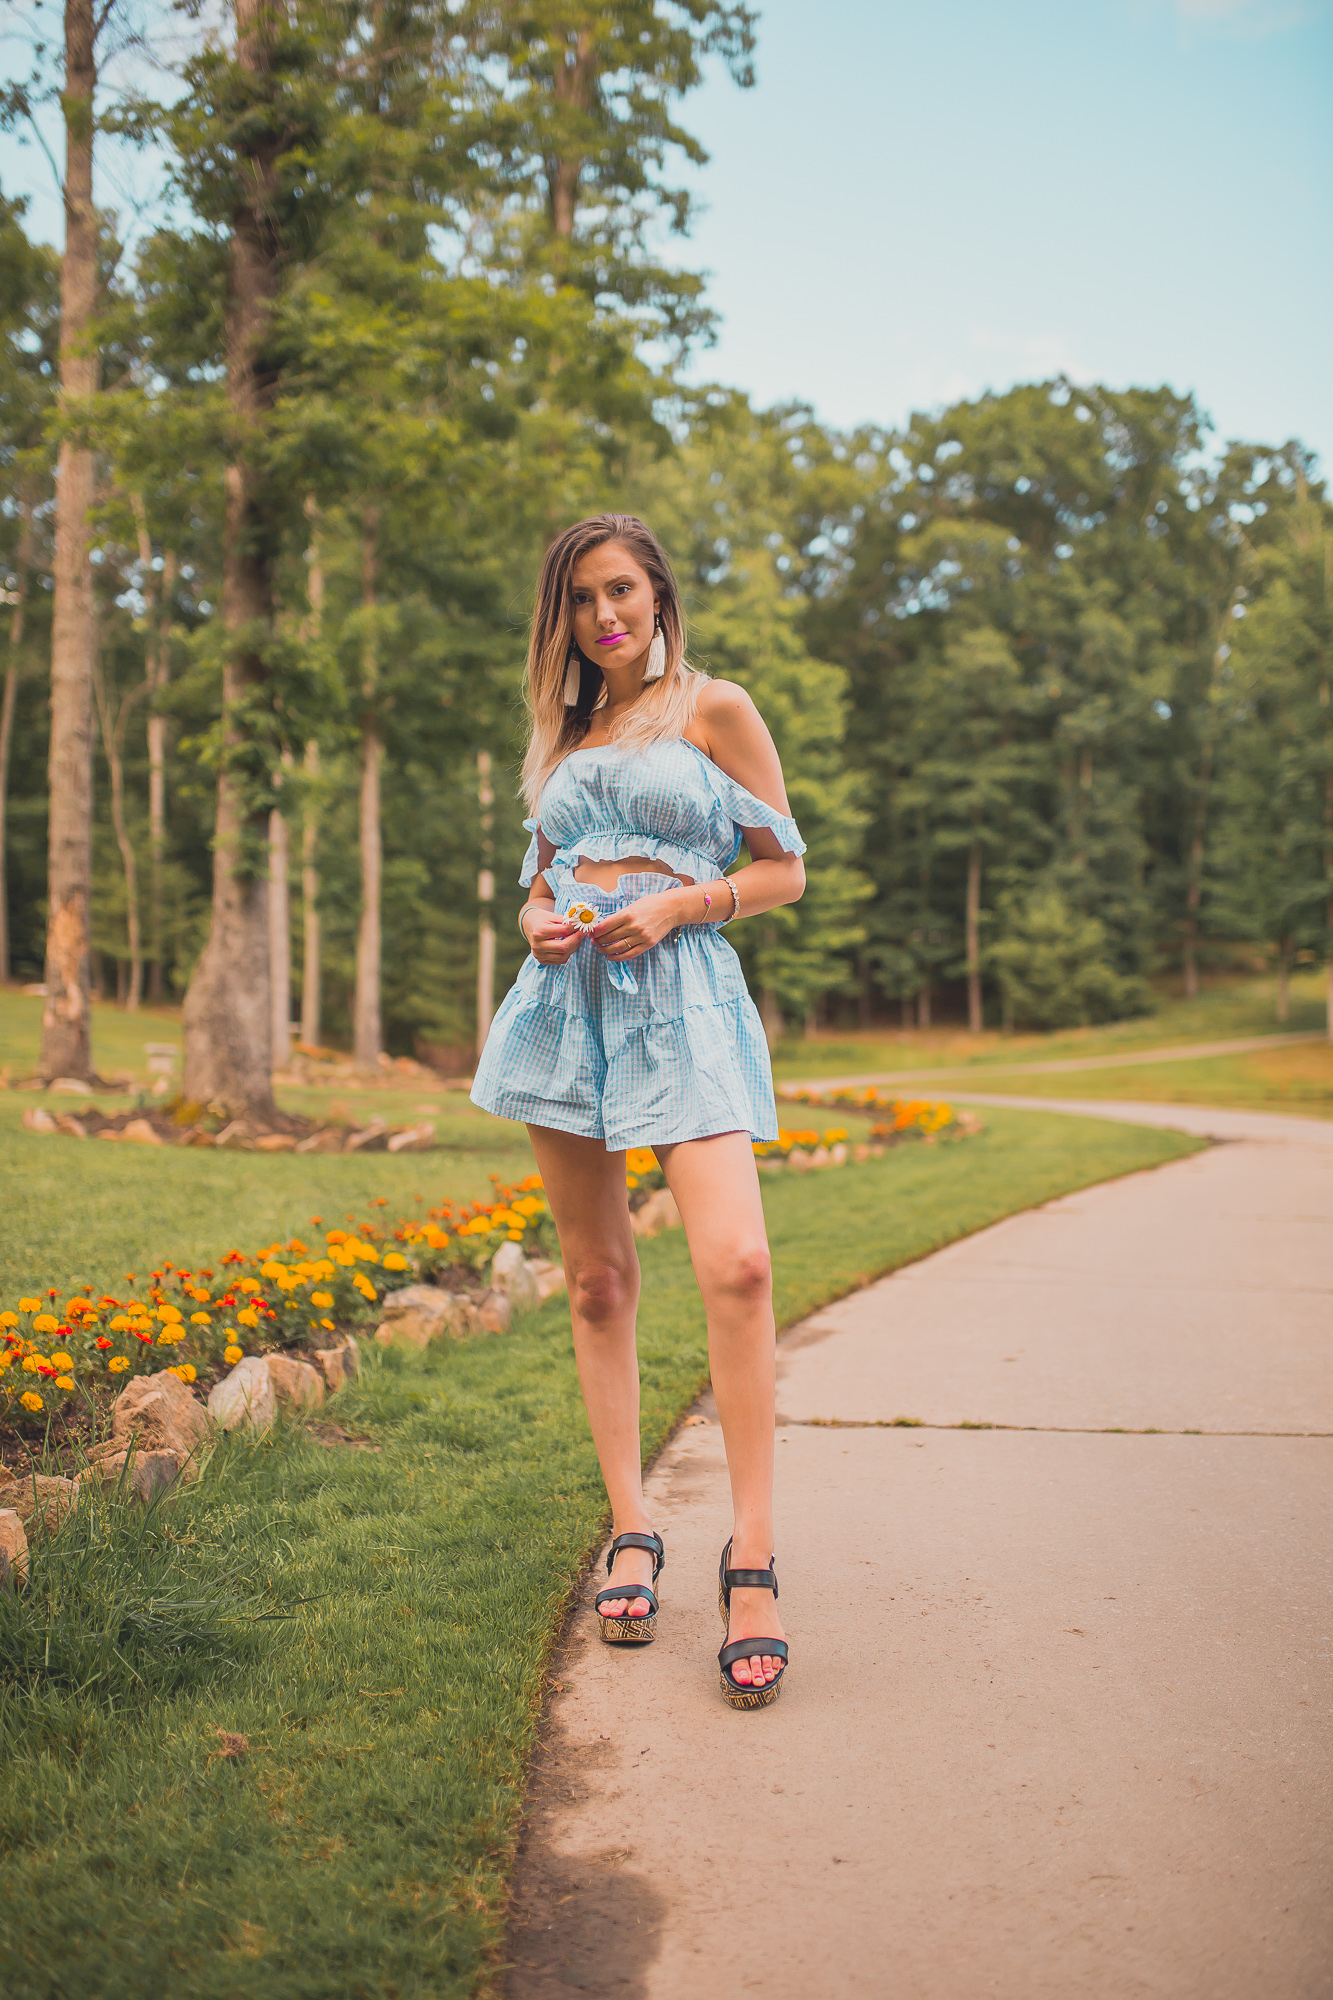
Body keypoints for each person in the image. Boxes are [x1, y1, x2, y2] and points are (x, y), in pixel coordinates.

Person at [471, 512, 806, 1710]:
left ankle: (751, 1556)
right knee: (598, 1278)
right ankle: (631, 1524)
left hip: (685, 1005)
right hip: (565, 1012)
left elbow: (784, 867)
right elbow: (536, 884)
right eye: (577, 599)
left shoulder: (714, 708)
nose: (601, 615)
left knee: (741, 1264)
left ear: (658, 595)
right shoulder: (563, 736)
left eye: (618, 590)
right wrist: (540, 923)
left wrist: (675, 908)